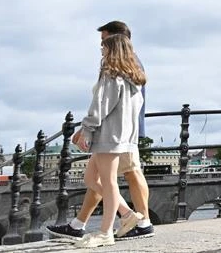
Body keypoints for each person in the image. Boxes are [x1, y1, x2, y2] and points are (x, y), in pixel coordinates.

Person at [47, 21, 154, 241]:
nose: (101, 48)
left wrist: (86, 129)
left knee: (115, 179)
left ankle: (112, 230)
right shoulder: (134, 72)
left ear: (115, 42)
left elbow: (102, 104)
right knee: (92, 178)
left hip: (111, 135)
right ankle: (127, 215)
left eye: (104, 43)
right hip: (123, 135)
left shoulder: (114, 71)